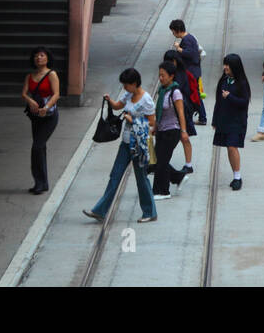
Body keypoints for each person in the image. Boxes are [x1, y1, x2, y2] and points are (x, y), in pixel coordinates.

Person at [83, 68, 157, 223]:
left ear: (134, 83)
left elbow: (152, 123)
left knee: (141, 179)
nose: (124, 87)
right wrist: (110, 101)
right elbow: (118, 106)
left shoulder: (146, 100)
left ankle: (150, 212)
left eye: (126, 84)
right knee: (115, 176)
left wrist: (134, 121)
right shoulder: (128, 95)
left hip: (140, 145)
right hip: (126, 142)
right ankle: (100, 211)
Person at [21, 46, 60, 194]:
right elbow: (24, 93)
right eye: (36, 56)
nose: (39, 58)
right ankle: (42, 183)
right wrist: (30, 101)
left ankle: (40, 182)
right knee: (40, 148)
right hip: (35, 116)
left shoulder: (52, 74)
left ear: (47, 58)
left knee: (37, 147)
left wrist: (47, 107)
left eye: (42, 55)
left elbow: (56, 94)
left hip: (49, 116)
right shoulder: (30, 76)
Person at [150, 61, 190, 200]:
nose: (160, 78)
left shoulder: (175, 92)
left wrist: (184, 131)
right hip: (161, 131)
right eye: (159, 75)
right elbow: (158, 112)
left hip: (172, 131)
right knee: (158, 160)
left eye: (163, 75)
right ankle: (178, 177)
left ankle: (162, 191)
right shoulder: (162, 91)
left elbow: (181, 113)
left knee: (161, 161)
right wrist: (155, 127)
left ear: (171, 76)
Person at [212, 54, 251, 191]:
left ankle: (237, 177)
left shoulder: (242, 83)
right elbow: (218, 101)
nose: (225, 67)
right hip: (224, 119)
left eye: (228, 65)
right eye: (225, 64)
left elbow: (244, 102)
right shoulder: (224, 81)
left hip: (237, 121)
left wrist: (230, 97)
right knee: (228, 147)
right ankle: (235, 175)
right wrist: (215, 119)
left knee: (232, 146)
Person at [164, 49, 199, 172]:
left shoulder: (180, 74)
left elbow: (180, 93)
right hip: (172, 112)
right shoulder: (169, 74)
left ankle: (188, 165)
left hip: (182, 110)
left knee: (183, 137)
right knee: (179, 137)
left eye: (171, 61)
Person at [170, 19, 208, 124]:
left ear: (177, 30)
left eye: (173, 31)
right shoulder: (190, 37)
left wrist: (179, 49)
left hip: (191, 72)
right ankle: (199, 116)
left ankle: (202, 117)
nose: (173, 34)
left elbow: (190, 54)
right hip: (194, 71)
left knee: (194, 94)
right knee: (194, 94)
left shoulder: (187, 40)